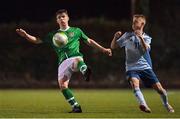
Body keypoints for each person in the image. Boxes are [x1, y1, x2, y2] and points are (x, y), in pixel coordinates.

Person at [16, 9, 112, 113]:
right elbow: (37, 40)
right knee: (63, 86)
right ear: (57, 20)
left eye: (63, 16)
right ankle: (76, 107)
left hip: (74, 57)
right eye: (59, 17)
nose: (61, 18)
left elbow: (89, 41)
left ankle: (85, 70)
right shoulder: (53, 35)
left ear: (68, 18)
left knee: (76, 61)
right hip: (62, 62)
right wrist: (26, 35)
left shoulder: (76, 31)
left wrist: (103, 49)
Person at [111, 14, 174, 113]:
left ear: (142, 24)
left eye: (136, 21)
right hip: (131, 68)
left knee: (160, 90)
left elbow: (145, 50)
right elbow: (113, 46)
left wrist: (140, 38)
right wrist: (115, 37)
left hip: (145, 67)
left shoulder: (147, 38)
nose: (133, 23)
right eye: (133, 22)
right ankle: (144, 104)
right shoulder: (127, 35)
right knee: (135, 84)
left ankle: (166, 104)